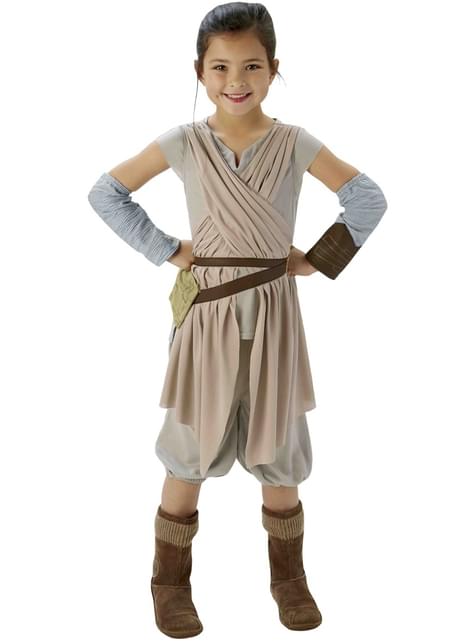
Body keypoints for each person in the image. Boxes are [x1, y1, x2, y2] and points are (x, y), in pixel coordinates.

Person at [88, 2, 387, 637]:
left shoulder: (295, 143)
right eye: (220, 67)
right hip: (207, 317)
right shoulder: (184, 142)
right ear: (199, 72)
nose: (236, 80)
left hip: (275, 316)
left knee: (279, 443)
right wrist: (167, 249)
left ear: (274, 69)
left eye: (251, 65)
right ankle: (170, 584)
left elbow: (366, 198)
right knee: (189, 446)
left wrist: (316, 260)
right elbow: (106, 193)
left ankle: (289, 578)